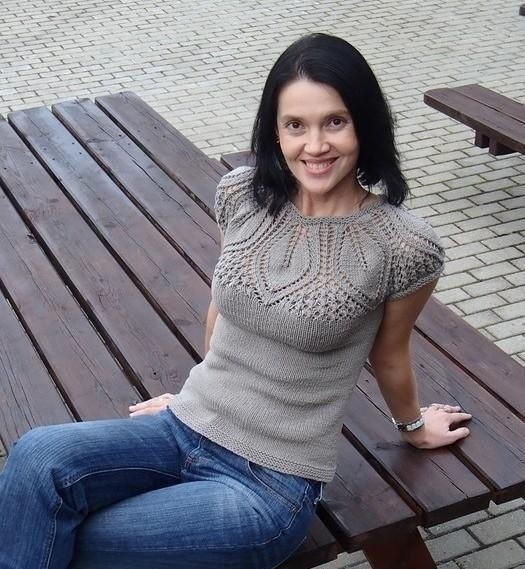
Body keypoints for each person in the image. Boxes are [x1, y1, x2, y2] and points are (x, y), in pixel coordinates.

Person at [0, 33, 472, 569]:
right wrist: (197, 398)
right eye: (296, 125)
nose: (315, 145)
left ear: (365, 123)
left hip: (268, 486)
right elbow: (222, 310)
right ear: (275, 130)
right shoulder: (244, 195)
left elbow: (390, 355)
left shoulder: (404, 245)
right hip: (183, 430)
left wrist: (413, 428)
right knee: (37, 459)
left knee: (56, 530)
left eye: (335, 122)